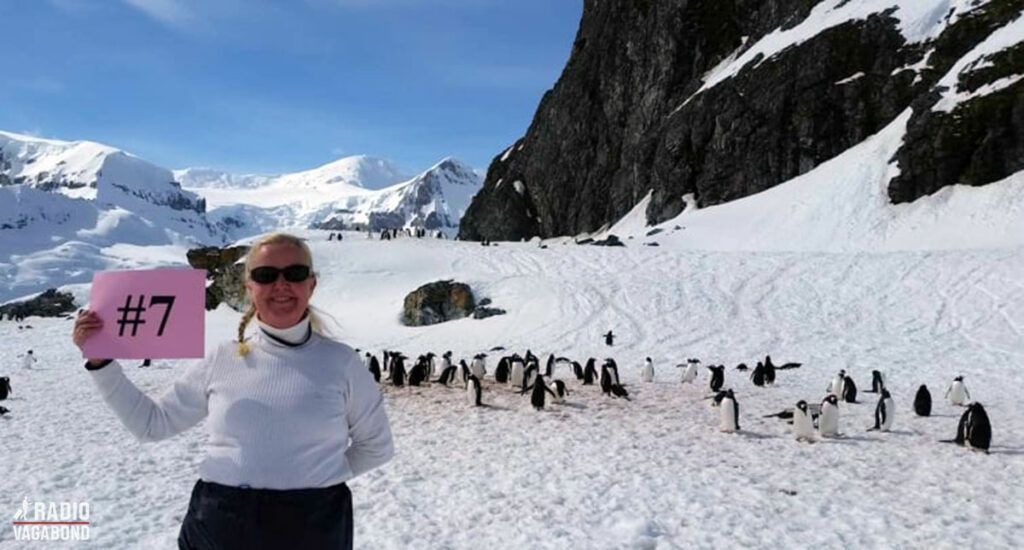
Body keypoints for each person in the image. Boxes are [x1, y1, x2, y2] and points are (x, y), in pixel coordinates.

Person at [72, 232, 394, 549]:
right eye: (266, 275)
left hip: (313, 528)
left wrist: (321, 480)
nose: (280, 284)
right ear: (248, 287)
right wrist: (102, 365)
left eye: (294, 273)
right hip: (219, 527)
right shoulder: (222, 359)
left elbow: (377, 446)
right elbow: (151, 425)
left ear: (311, 284)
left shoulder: (341, 363)